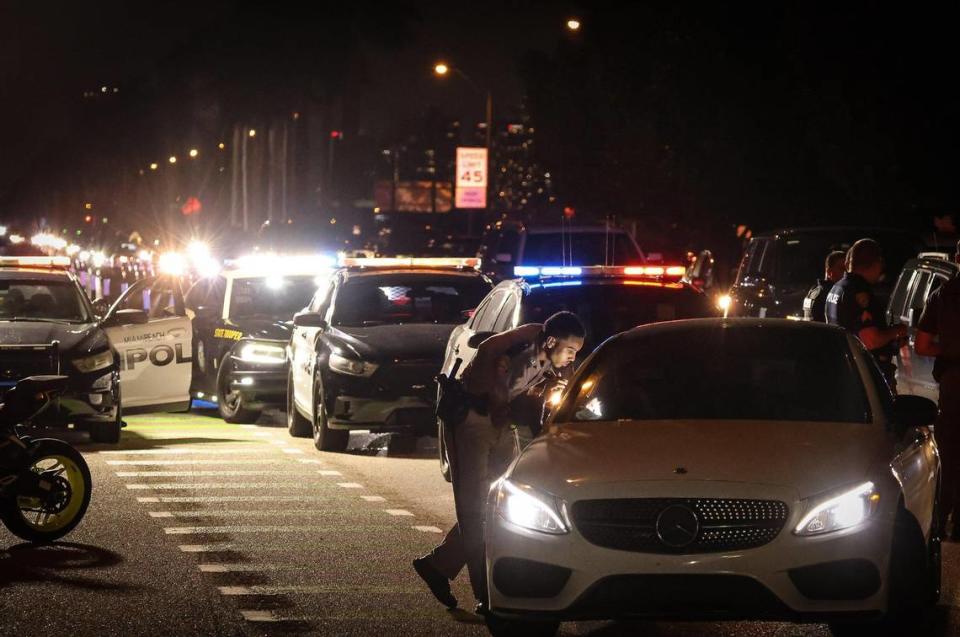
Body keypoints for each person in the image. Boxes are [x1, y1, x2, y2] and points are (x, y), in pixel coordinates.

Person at [413, 311, 585, 613]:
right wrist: (498, 385)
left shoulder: (550, 362)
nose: (571, 358)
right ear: (553, 340)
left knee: (501, 501)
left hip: (498, 423)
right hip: (470, 421)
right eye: (570, 350)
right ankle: (487, 594)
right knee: (473, 509)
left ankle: (439, 565)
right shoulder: (525, 340)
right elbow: (486, 348)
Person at [915, 240, 960, 540]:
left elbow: (921, 344)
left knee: (951, 452)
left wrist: (948, 347)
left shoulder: (943, 296)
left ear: (957, 258)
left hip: (954, 381)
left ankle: (946, 519)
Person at [825, 238, 907, 389]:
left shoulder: (836, 288)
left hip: (846, 371)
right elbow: (870, 340)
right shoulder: (859, 292)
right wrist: (897, 331)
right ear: (876, 263)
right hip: (865, 378)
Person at [803, 250, 847, 322]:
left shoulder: (813, 291)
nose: (846, 273)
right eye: (842, 269)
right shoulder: (831, 294)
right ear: (829, 272)